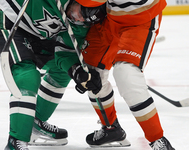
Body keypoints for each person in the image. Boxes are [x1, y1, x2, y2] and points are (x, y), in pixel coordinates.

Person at [0, 0, 104, 149]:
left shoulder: (82, 22)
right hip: (9, 14)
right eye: (83, 13)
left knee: (62, 70)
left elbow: (66, 53)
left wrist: (76, 70)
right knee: (27, 76)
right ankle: (16, 141)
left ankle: (34, 123)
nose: (81, 19)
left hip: (35, 30)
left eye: (88, 19)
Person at [70, 0, 175, 149]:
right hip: (109, 16)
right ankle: (111, 128)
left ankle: (158, 140)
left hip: (140, 19)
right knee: (90, 73)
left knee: (126, 74)